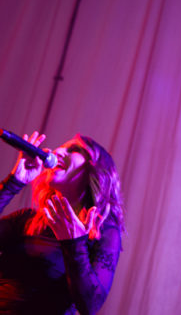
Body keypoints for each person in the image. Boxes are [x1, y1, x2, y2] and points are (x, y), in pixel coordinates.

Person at [0, 131, 125, 314]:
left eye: (74, 149)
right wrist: (13, 182)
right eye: (61, 148)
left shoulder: (104, 233)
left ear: (94, 170)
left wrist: (74, 244)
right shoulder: (27, 220)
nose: (57, 151)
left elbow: (90, 305)